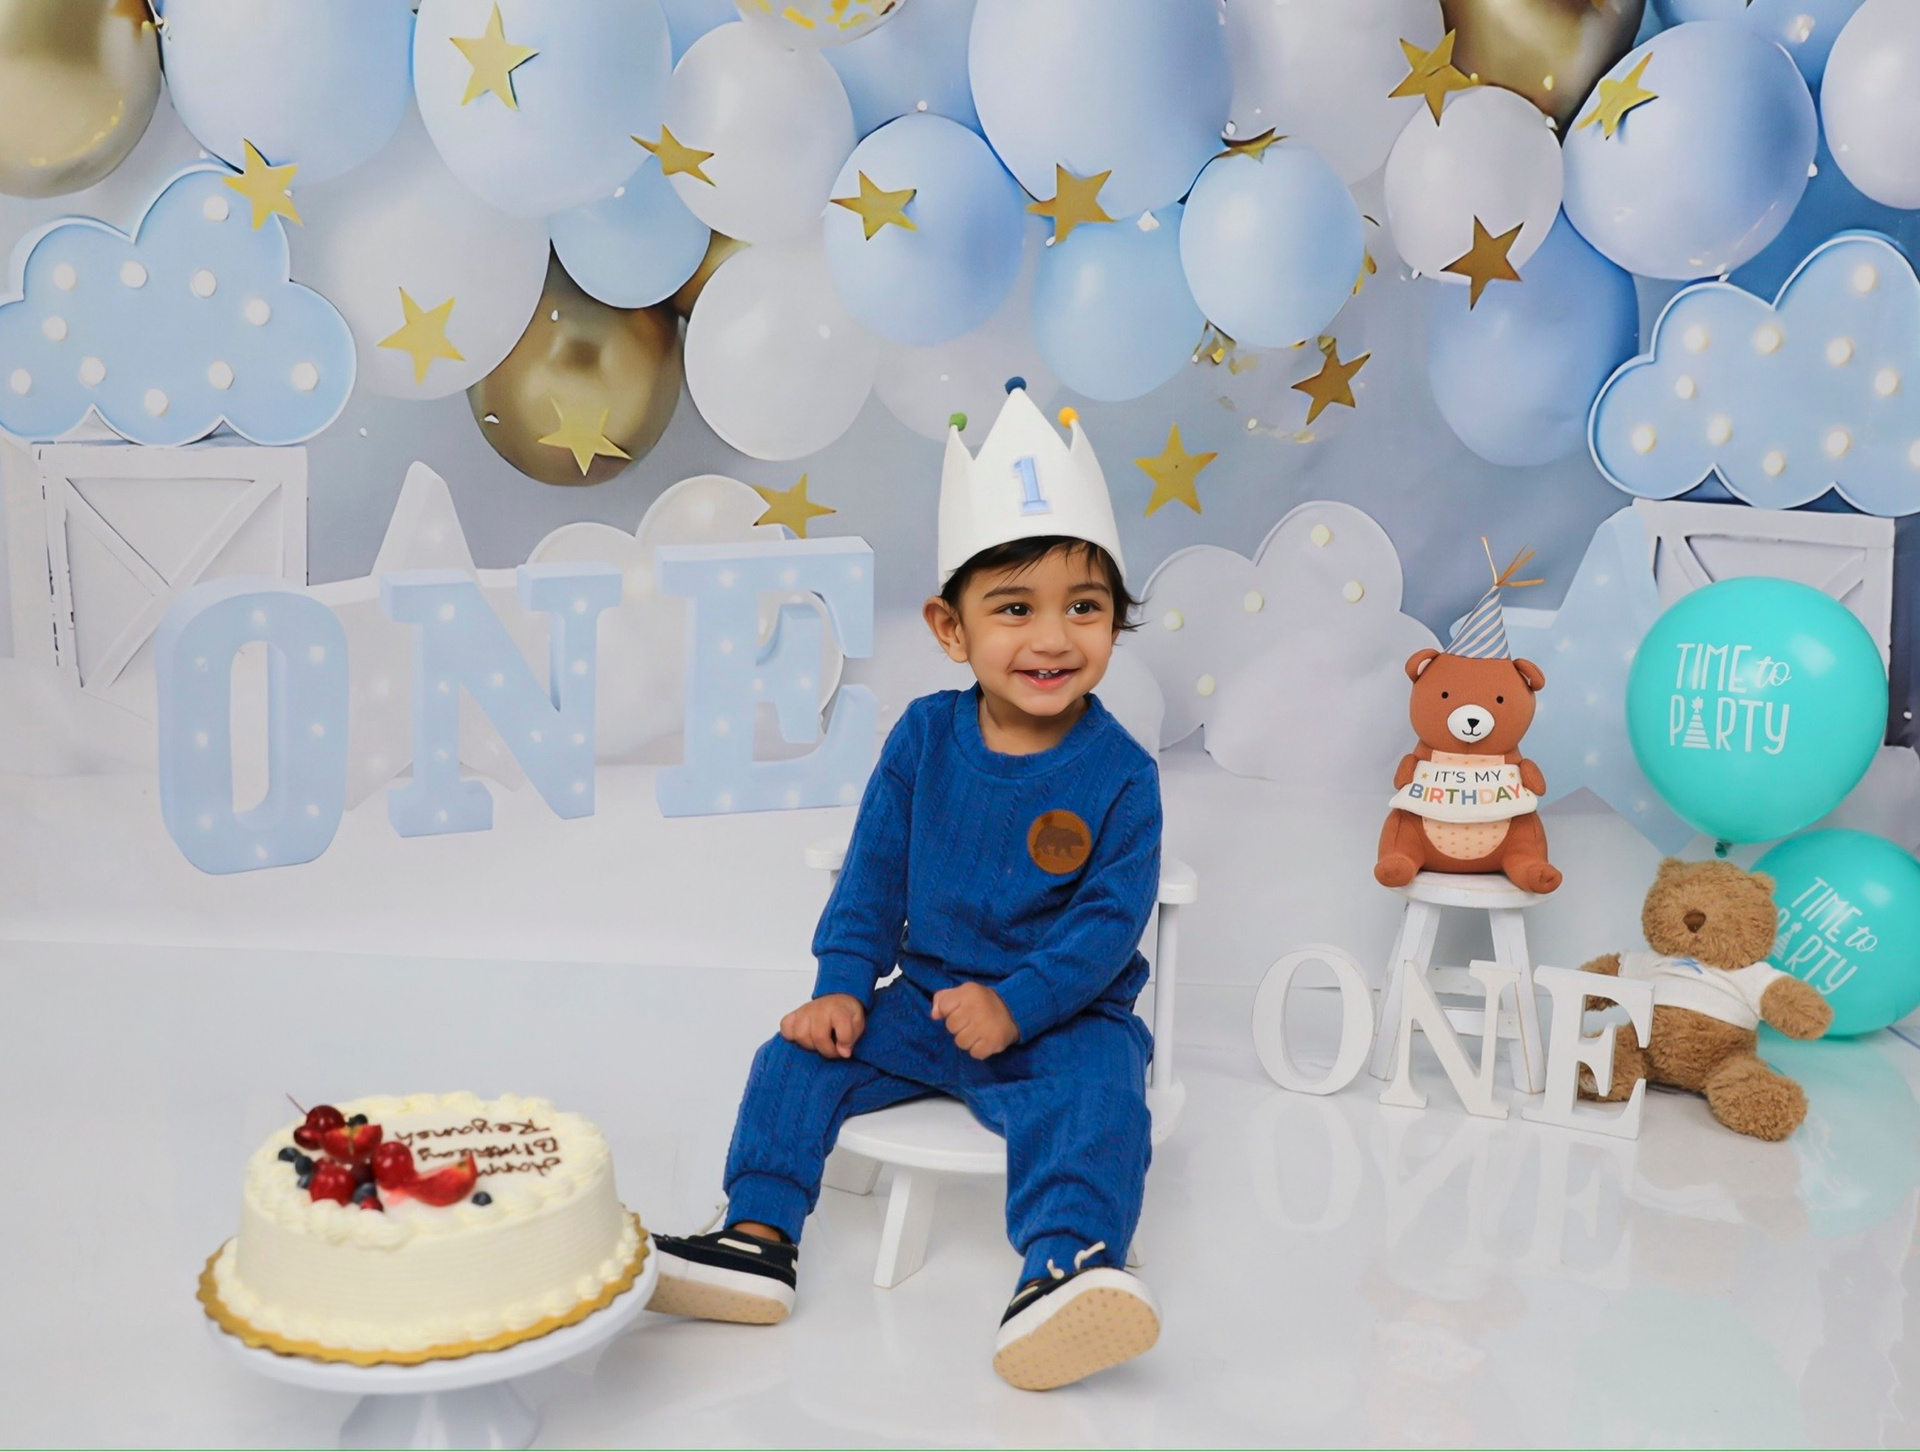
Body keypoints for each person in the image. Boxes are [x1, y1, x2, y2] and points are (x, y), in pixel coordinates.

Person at [646, 384, 1165, 1392]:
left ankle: (1063, 1269)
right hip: (926, 1003)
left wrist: (1018, 1005)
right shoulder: (925, 737)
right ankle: (757, 1239)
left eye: (1085, 608)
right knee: (792, 1061)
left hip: (1065, 1017)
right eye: (1014, 608)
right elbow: (873, 874)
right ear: (950, 628)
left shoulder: (1123, 774)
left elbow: (1108, 924)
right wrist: (843, 985)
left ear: (1114, 621)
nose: (1054, 638)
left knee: (1103, 1099)